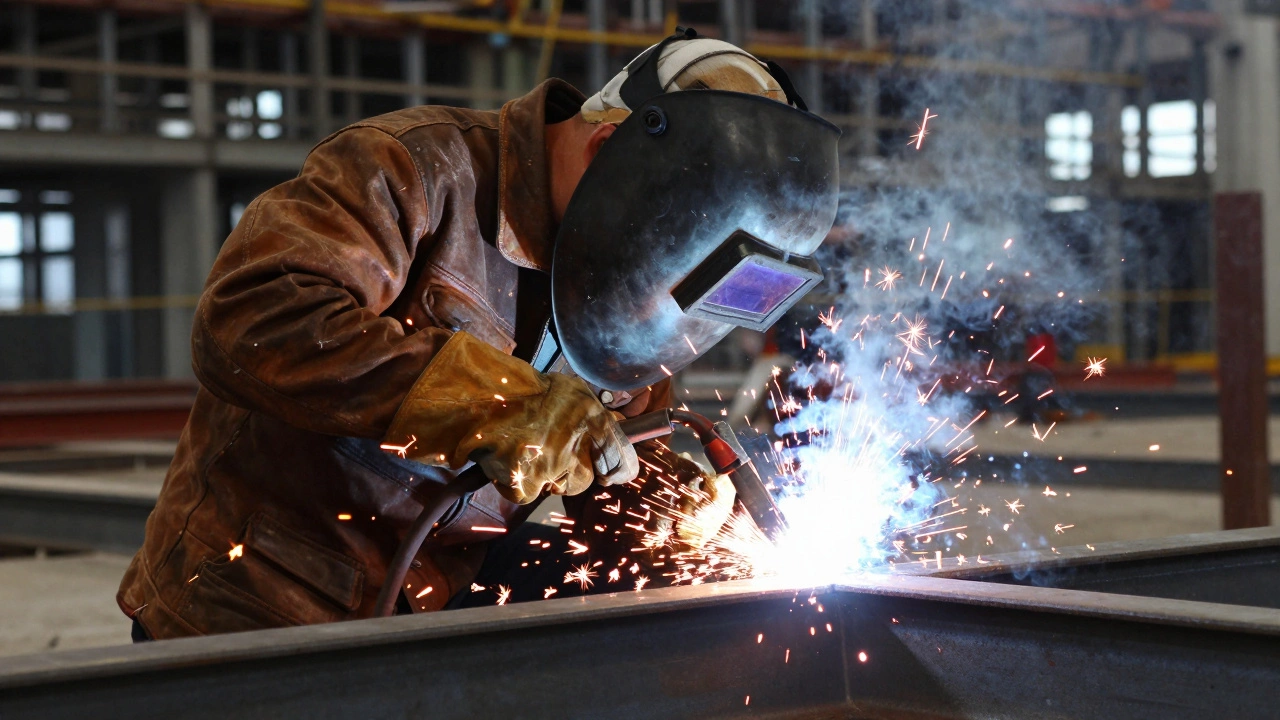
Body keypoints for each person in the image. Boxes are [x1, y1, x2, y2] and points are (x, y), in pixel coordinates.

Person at [119, 29, 838, 639]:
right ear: (607, 149)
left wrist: (671, 507)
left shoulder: (628, 291)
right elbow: (248, 316)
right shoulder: (414, 167)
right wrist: (495, 402)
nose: (651, 288)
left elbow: (600, 456)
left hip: (428, 611)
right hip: (253, 606)